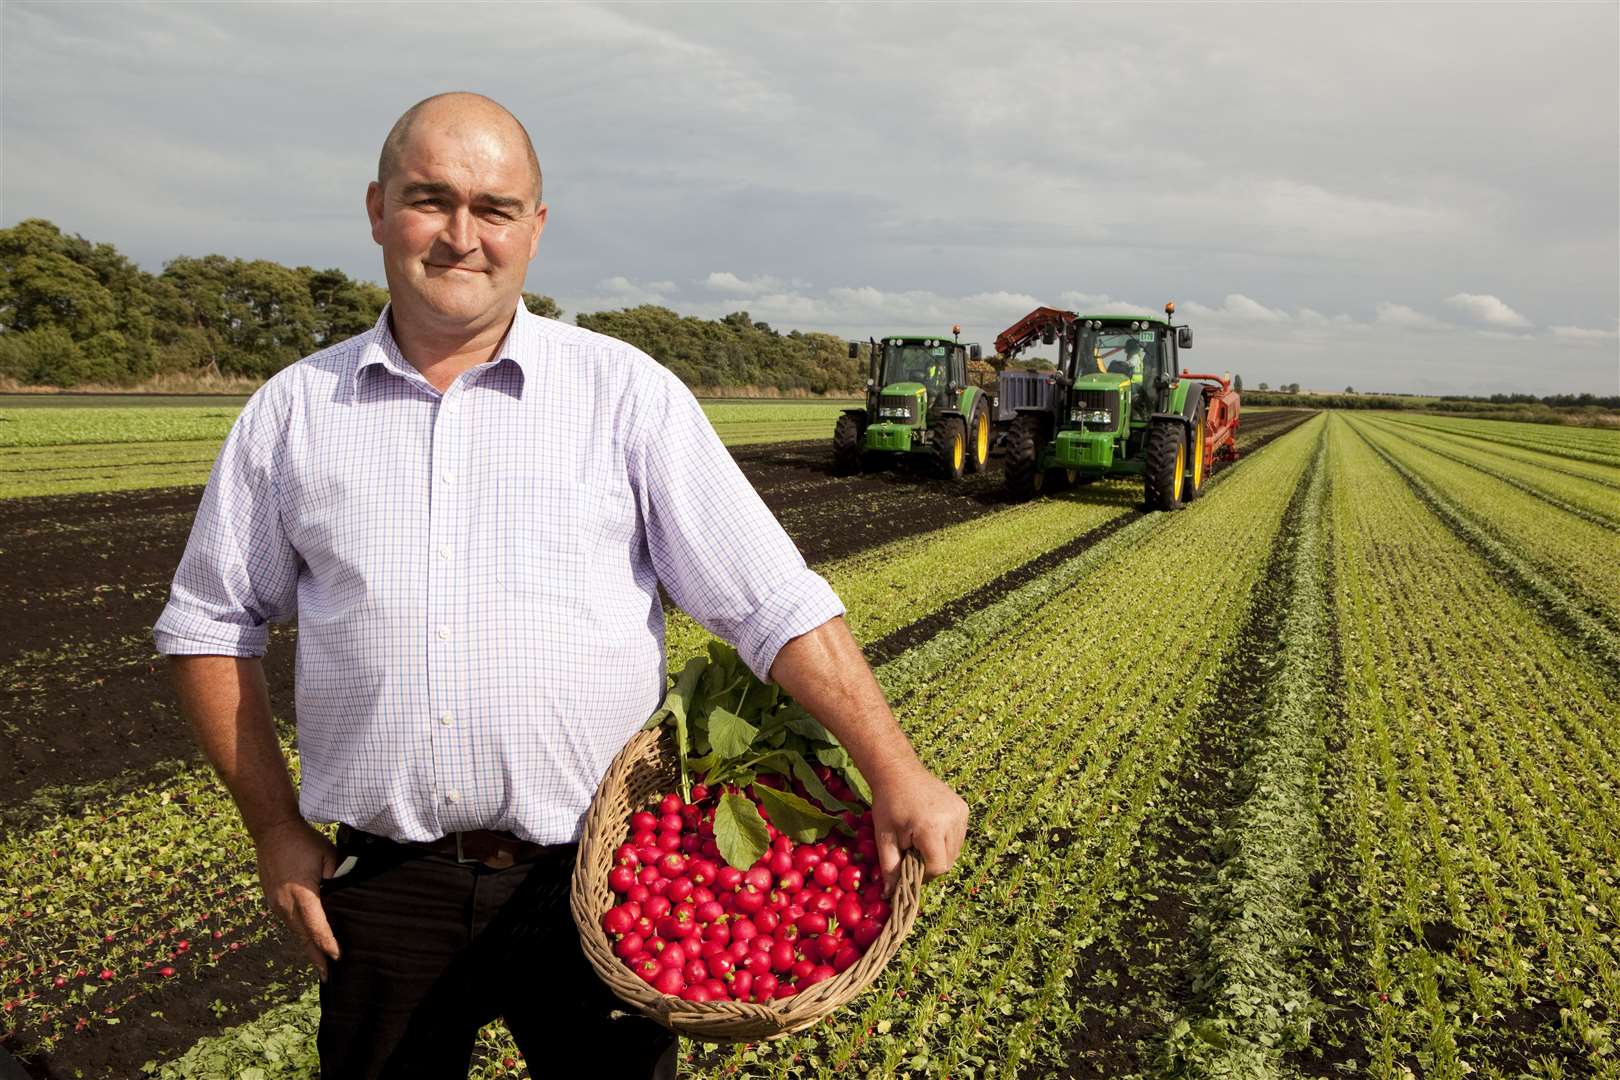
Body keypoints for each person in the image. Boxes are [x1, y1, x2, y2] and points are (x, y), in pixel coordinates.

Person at [153, 92, 969, 1080]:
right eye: (430, 201)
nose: (463, 236)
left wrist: (893, 767)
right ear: (377, 210)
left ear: (534, 231)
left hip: (602, 880)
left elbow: (770, 599)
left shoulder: (625, 397)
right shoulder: (294, 413)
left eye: (495, 209)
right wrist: (277, 832)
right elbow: (210, 627)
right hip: (386, 881)